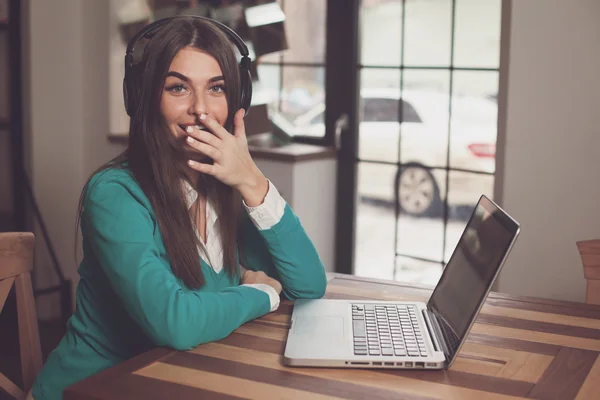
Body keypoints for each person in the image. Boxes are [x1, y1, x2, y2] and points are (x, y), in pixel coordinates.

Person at [30, 16, 327, 400]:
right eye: (178, 88)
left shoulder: (227, 190)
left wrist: (252, 181)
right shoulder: (114, 194)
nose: (200, 109)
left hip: (178, 385)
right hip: (87, 391)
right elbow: (176, 323)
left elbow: (308, 284)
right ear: (145, 98)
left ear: (237, 102)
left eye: (216, 88)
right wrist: (262, 295)